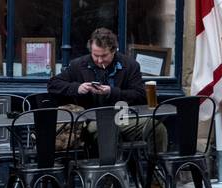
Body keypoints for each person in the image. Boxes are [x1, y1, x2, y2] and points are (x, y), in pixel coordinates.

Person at [48, 26, 165, 159]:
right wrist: (77, 88)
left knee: (156, 127)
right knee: (107, 131)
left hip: (123, 116)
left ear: (114, 50)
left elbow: (140, 94)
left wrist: (112, 92)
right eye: (95, 55)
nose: (99, 60)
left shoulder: (130, 65)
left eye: (104, 56)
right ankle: (113, 175)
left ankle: (155, 172)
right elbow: (53, 84)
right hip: (91, 119)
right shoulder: (78, 64)